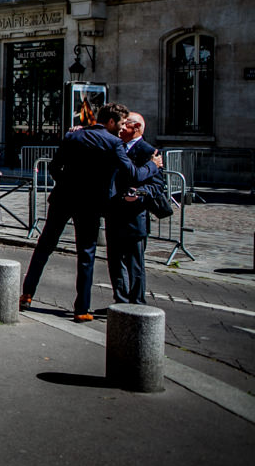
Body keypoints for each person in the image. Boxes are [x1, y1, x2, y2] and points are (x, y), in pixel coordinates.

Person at [20, 102, 161, 321]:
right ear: (111, 121)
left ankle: (27, 294)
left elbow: (55, 167)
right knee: (86, 254)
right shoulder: (114, 143)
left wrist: (67, 184)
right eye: (122, 123)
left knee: (45, 245)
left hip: (63, 198)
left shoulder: (73, 136)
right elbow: (133, 173)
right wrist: (153, 165)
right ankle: (81, 309)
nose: (123, 129)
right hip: (91, 204)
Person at [105, 112, 161, 304]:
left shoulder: (148, 151)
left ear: (136, 127)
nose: (121, 128)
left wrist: (139, 193)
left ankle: (137, 304)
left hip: (134, 215)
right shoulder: (115, 146)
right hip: (114, 212)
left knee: (135, 263)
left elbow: (157, 185)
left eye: (125, 124)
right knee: (114, 261)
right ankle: (120, 301)